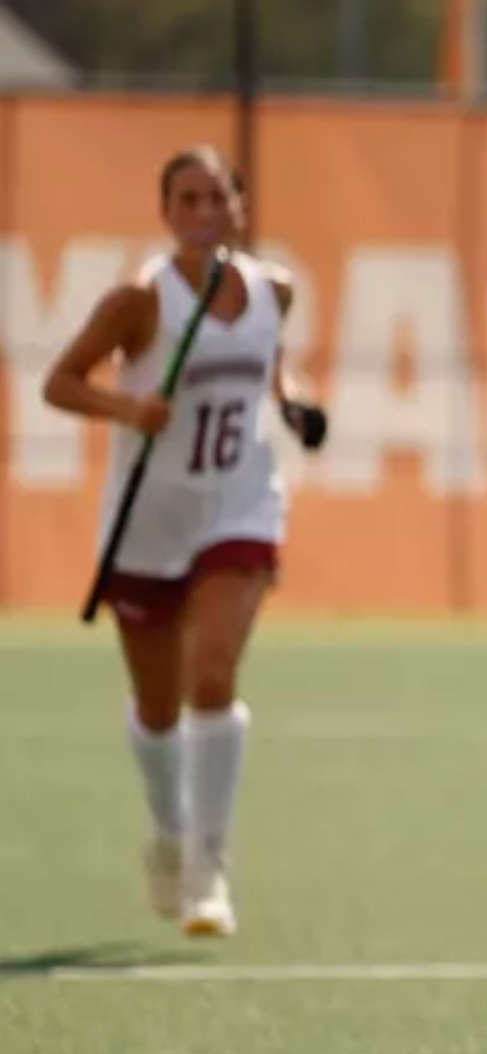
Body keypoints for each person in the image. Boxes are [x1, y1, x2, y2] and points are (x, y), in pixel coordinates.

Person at [41, 146, 327, 939]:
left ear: (239, 206)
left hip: (241, 505)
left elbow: (269, 374)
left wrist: (296, 405)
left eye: (217, 198)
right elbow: (59, 382)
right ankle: (169, 831)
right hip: (150, 521)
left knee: (213, 672)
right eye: (187, 200)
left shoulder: (274, 290)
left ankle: (209, 867)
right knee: (159, 707)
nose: (203, 213)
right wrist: (129, 413)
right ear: (167, 213)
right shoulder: (139, 302)